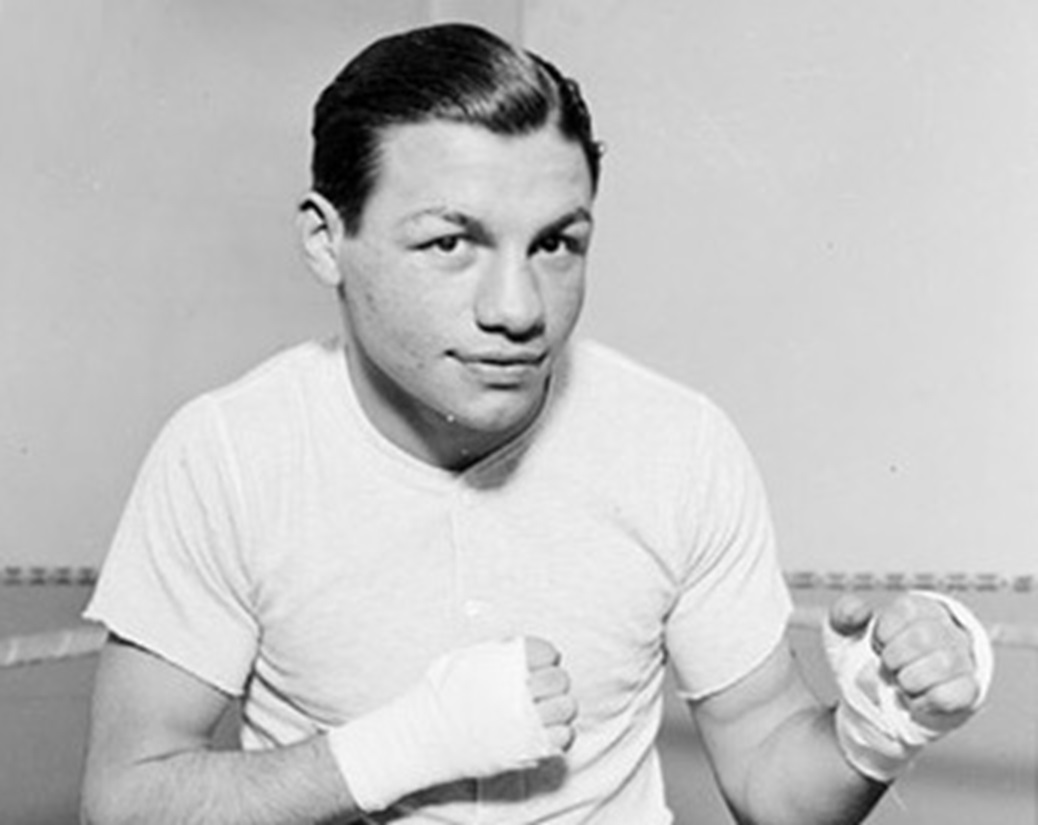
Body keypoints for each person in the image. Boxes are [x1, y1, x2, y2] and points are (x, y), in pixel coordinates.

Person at [80, 22, 993, 825]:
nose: (518, 308)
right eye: (450, 242)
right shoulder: (230, 455)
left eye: (555, 242)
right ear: (328, 240)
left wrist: (875, 731)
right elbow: (127, 798)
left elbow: (766, 765)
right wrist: (401, 748)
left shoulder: (677, 446)